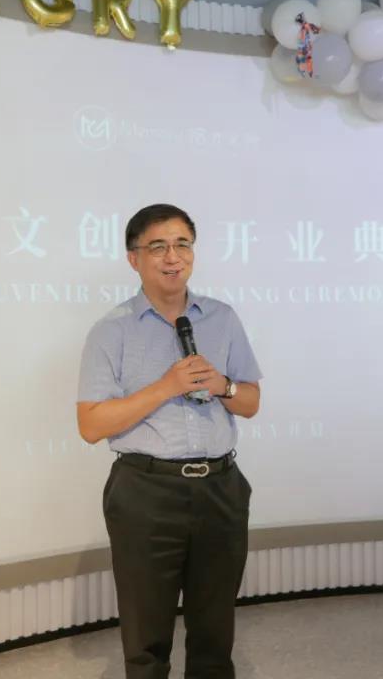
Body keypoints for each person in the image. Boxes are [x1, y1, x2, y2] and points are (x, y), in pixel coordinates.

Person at [77, 204, 262, 679]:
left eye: (183, 244)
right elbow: (91, 424)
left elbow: (251, 401)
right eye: (158, 246)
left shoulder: (222, 318)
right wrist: (167, 386)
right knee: (147, 639)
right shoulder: (112, 330)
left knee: (214, 633)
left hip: (220, 488)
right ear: (134, 258)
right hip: (146, 491)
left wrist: (222, 386)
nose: (173, 256)